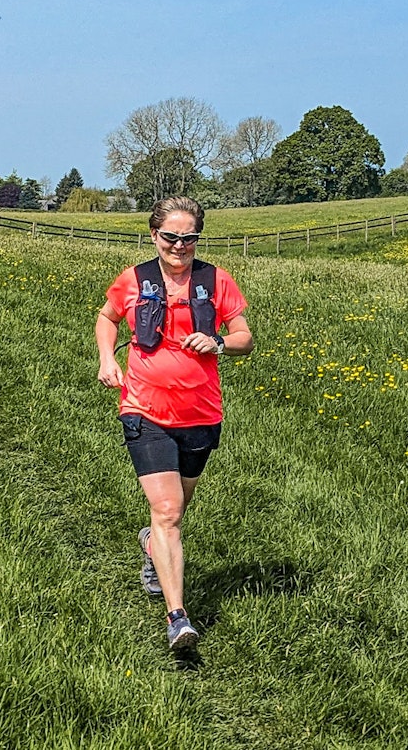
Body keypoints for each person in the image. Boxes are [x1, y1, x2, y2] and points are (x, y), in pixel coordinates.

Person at [95, 197, 254, 653]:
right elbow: (106, 318)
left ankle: (152, 545)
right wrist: (108, 359)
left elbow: (245, 337)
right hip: (143, 409)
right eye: (171, 237)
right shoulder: (134, 279)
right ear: (154, 236)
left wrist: (219, 341)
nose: (180, 246)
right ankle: (177, 618)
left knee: (175, 511)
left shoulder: (216, 280)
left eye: (189, 238)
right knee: (167, 512)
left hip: (202, 414)